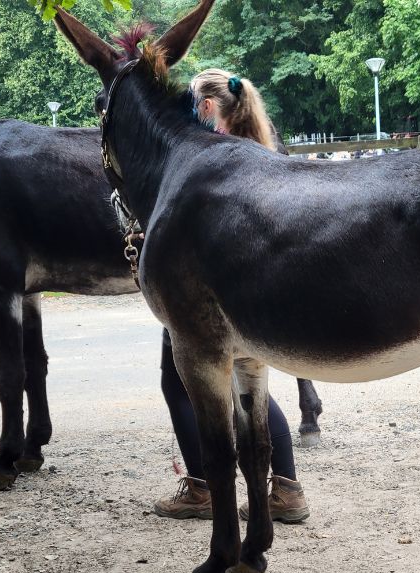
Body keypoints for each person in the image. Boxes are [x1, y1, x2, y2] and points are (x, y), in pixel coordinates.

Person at [152, 68, 310, 523]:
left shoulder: (211, 160)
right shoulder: (262, 148)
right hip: (256, 290)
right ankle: (285, 487)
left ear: (205, 108)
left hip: (208, 294)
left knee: (182, 380)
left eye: (189, 105)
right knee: (250, 387)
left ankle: (202, 486)